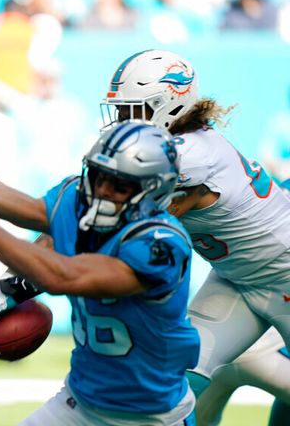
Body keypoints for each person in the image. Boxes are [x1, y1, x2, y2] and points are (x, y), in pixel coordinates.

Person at [0, 120, 200, 425]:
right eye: (98, 176)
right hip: (79, 403)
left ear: (154, 192)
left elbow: (67, 276)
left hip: (152, 416)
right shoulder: (75, 200)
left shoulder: (161, 244)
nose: (102, 192)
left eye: (119, 185)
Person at [100, 49, 290, 425]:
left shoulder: (191, 157)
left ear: (166, 106)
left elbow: (109, 224)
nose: (121, 121)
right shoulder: (184, 148)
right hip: (238, 280)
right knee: (170, 387)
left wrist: (24, 281)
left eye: (131, 110)